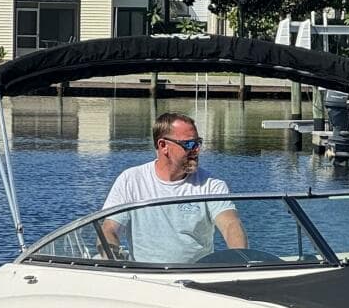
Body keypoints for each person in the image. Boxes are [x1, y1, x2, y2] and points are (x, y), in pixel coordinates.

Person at [100, 112, 247, 263]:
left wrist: (241, 260)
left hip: (196, 276)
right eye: (189, 144)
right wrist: (113, 261)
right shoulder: (130, 179)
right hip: (144, 277)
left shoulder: (211, 184)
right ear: (163, 146)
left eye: (198, 143)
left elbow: (230, 224)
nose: (196, 150)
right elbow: (109, 229)